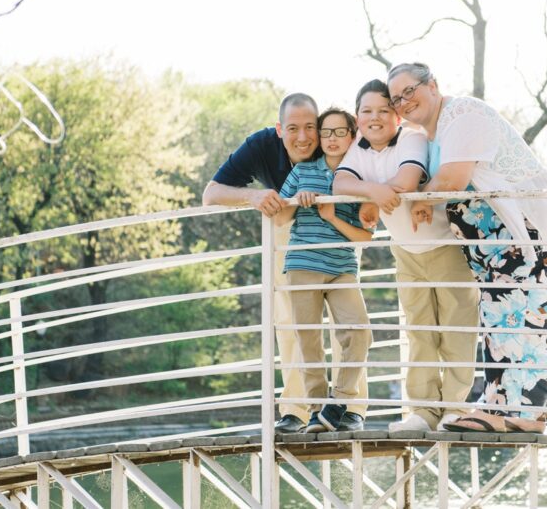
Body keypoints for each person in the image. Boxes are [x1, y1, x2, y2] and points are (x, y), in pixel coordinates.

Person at [387, 62, 547, 433]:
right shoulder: (431, 136)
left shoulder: (462, 113)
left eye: (409, 91)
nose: (403, 102)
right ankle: (522, 410)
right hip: (495, 243)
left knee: (521, 313)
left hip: (528, 228)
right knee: (513, 314)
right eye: (396, 98)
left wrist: (419, 201)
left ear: (433, 84)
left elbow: (454, 179)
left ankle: (510, 409)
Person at [201, 93, 368, 434]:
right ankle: (298, 408)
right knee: (293, 324)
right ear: (279, 129)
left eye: (311, 127)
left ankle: (349, 407)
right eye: (293, 128)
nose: (304, 137)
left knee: (350, 328)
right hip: (286, 225)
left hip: (337, 230)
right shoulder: (262, 143)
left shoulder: (332, 139)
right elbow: (211, 194)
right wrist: (253, 195)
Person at [333, 79, 479, 432]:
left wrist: (374, 194)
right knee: (418, 330)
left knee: (456, 328)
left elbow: (409, 178)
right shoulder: (359, 149)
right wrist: (371, 193)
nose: (375, 117)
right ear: (357, 117)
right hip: (406, 251)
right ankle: (423, 410)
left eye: (384, 110)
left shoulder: (411, 136)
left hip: (446, 245)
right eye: (367, 111)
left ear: (397, 115)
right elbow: (340, 184)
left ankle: (455, 408)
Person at [275, 108, 373, 432]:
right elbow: (278, 218)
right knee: (308, 341)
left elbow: (366, 236)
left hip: (342, 267)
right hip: (303, 265)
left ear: (352, 135)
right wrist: (294, 201)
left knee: (359, 333)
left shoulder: (359, 178)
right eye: (326, 132)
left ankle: (339, 404)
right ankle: (318, 410)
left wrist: (332, 216)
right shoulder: (303, 171)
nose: (332, 139)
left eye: (339, 132)